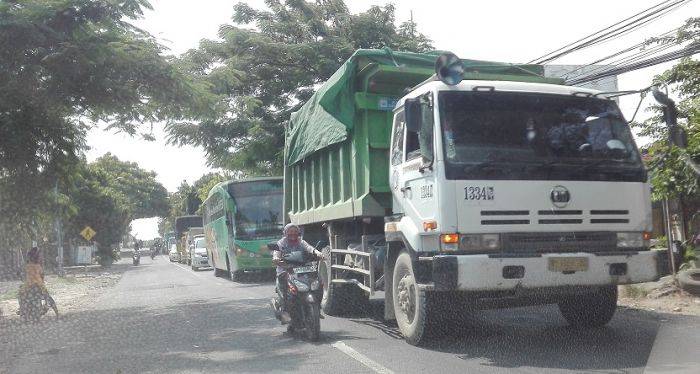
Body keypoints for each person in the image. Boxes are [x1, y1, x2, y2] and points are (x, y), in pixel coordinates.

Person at [272, 223, 322, 323]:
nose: (293, 234)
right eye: (290, 232)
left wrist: (317, 253)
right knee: (287, 290)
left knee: (317, 283)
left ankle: (317, 307)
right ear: (285, 233)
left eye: (295, 232)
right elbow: (276, 253)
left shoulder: (300, 241)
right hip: (285, 270)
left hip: (301, 269)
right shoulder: (281, 243)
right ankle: (285, 312)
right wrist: (276, 258)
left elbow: (309, 248)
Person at [19, 247, 58, 318]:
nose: (41, 257)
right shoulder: (39, 267)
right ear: (37, 257)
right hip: (39, 286)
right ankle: (57, 313)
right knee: (49, 298)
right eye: (40, 256)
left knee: (21, 295)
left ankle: (22, 310)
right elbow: (42, 277)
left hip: (28, 286)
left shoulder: (26, 266)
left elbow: (23, 277)